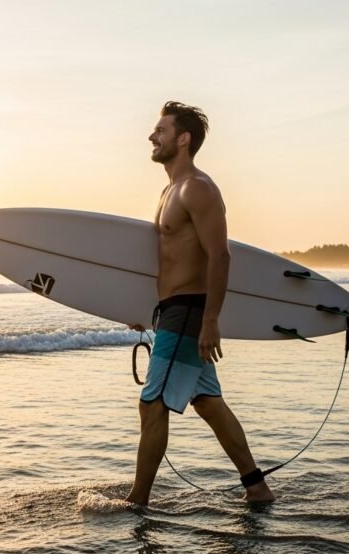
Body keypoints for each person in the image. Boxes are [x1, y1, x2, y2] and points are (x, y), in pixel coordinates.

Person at [125, 101, 275, 506]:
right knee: (207, 403)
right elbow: (165, 262)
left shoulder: (198, 188)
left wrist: (211, 320)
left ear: (183, 138)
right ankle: (257, 488)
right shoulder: (168, 192)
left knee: (152, 404)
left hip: (190, 312)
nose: (152, 137)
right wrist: (143, 311)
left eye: (160, 130)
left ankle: (137, 502)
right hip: (173, 311)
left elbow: (219, 256)